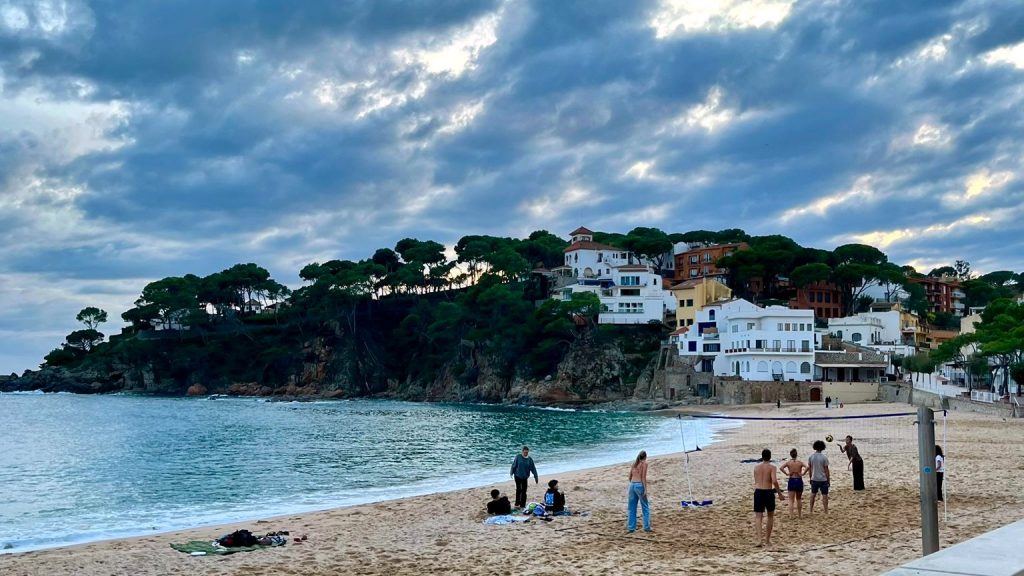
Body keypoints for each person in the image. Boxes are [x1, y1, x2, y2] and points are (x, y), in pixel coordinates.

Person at [753, 449, 784, 547]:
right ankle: (767, 539)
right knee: (770, 516)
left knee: (758, 517)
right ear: (770, 457)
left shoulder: (756, 467)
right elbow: (774, 480)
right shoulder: (772, 467)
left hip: (758, 491)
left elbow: (756, 480)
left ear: (762, 457)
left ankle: (759, 540)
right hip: (767, 491)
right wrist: (779, 493)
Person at [627, 450, 651, 533]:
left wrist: (633, 482)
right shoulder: (644, 464)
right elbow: (643, 477)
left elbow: (629, 477)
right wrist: (645, 489)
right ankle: (647, 527)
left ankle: (631, 528)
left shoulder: (634, 463)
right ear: (645, 457)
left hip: (632, 485)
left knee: (631, 508)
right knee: (645, 507)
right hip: (639, 485)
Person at [779, 448, 809, 518]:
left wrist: (787, 473)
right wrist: (803, 473)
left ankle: (791, 515)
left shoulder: (789, 462)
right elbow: (807, 467)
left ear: (790, 455)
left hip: (792, 480)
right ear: (796, 454)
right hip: (798, 480)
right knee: (798, 499)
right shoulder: (800, 462)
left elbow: (781, 468)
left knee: (791, 500)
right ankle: (799, 515)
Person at [808, 440, 830, 514]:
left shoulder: (811, 457)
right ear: (823, 447)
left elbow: (810, 469)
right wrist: (828, 480)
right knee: (825, 495)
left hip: (814, 478)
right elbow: (826, 470)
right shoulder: (824, 458)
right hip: (823, 479)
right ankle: (826, 511)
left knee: (813, 494)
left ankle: (810, 510)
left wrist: (810, 478)